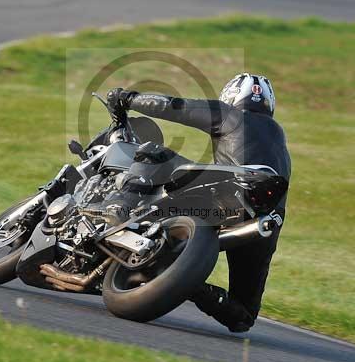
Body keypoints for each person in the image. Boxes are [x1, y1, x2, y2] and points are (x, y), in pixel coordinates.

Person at [106, 73, 291, 333]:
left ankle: (118, 207)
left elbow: (174, 106)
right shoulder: (280, 143)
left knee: (152, 151)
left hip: (228, 193)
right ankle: (191, 285)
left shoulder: (231, 115)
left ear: (232, 96)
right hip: (266, 218)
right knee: (243, 317)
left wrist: (127, 99)